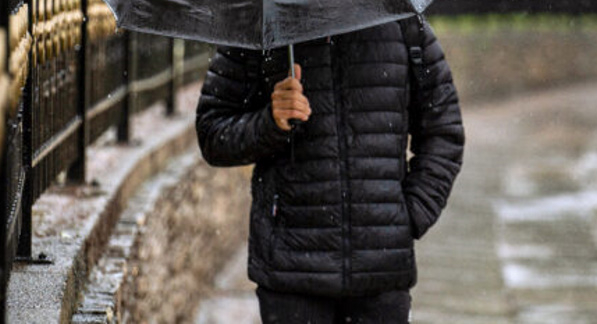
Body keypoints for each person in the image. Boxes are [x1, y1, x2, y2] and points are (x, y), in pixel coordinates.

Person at [196, 17, 464, 324]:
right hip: (291, 270)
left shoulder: (402, 22)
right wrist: (271, 121)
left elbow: (444, 131)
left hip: (380, 274)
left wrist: (410, 214)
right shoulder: (261, 26)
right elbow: (212, 134)